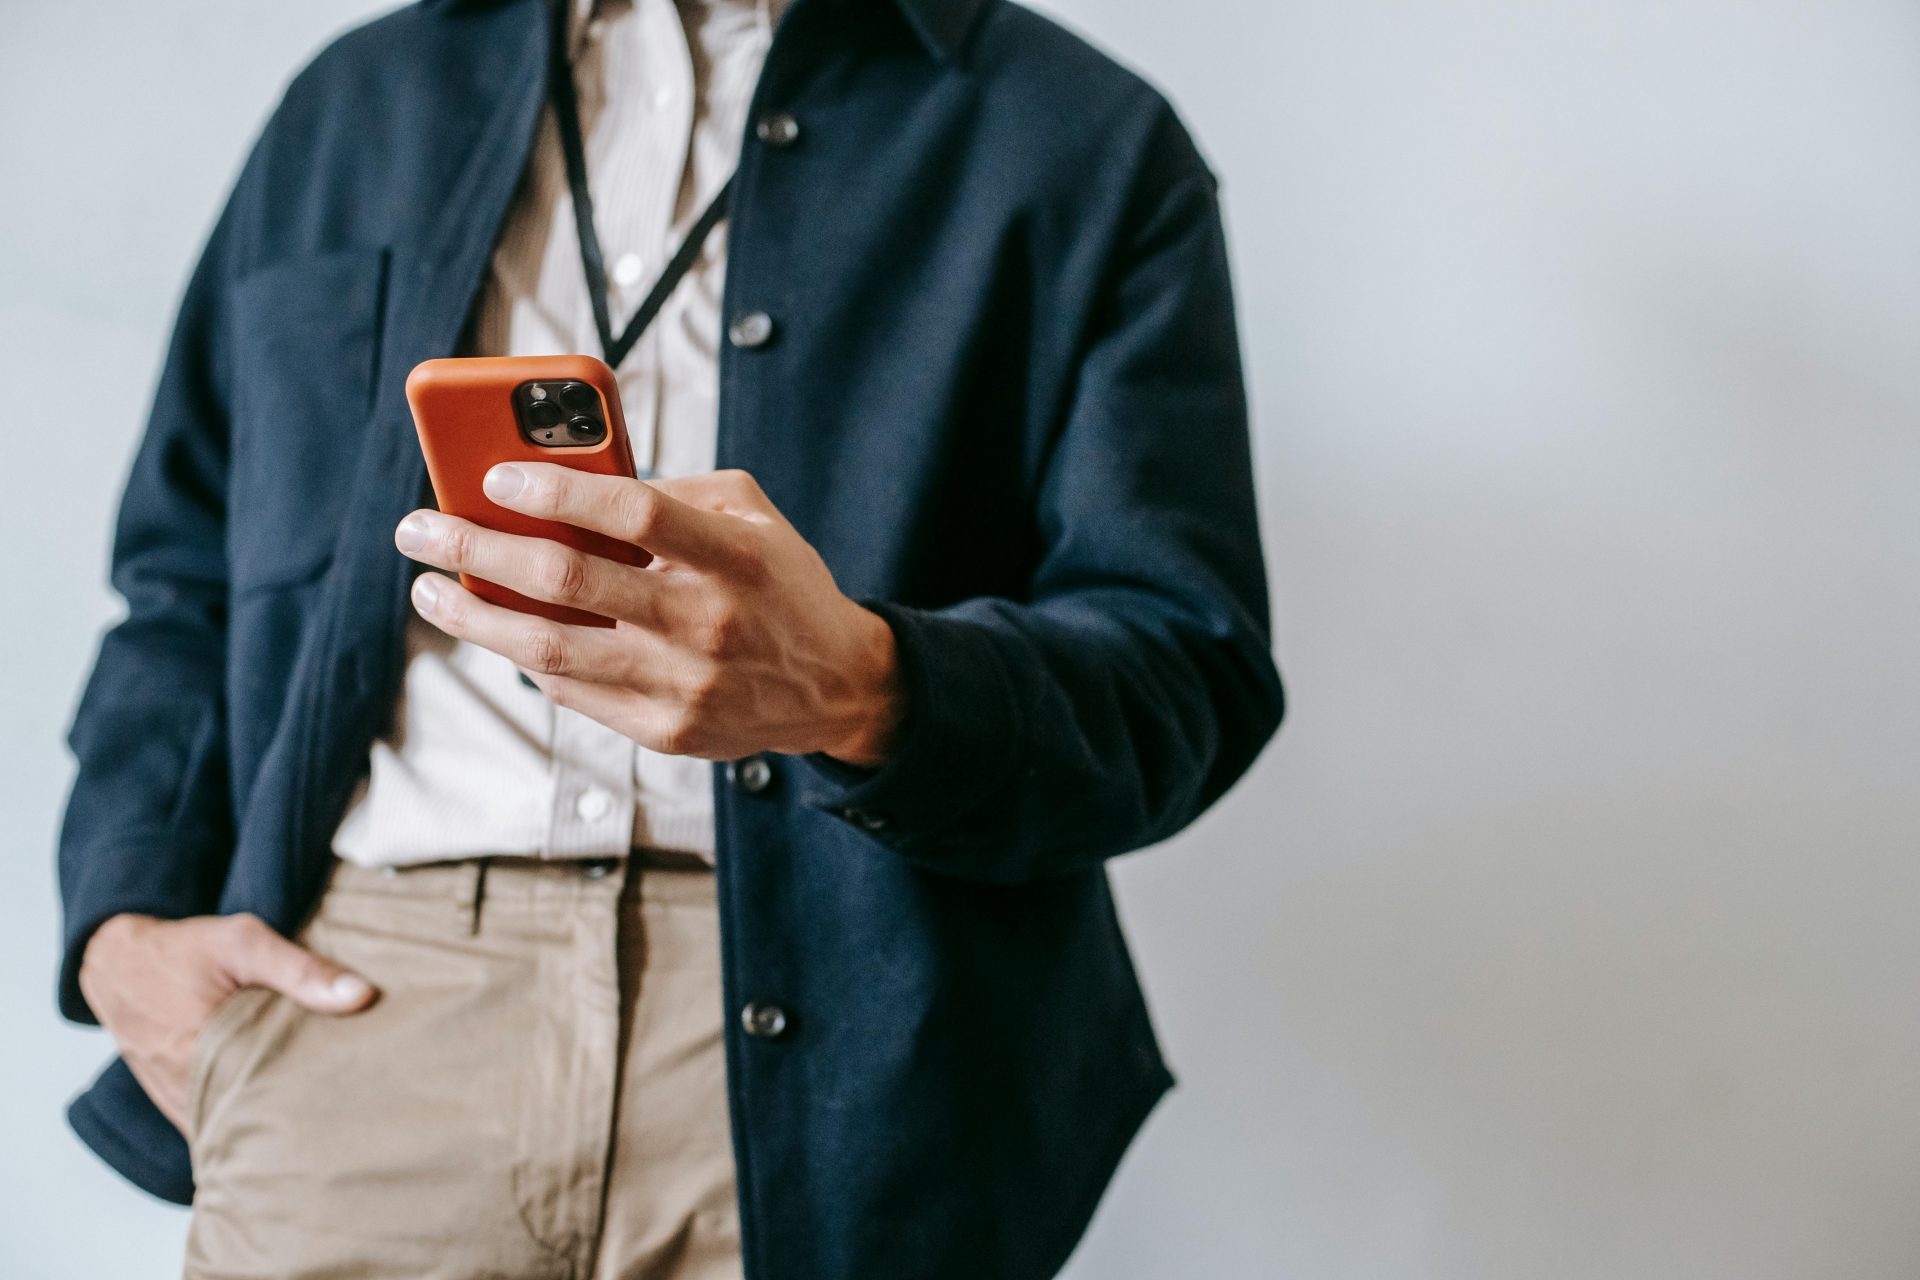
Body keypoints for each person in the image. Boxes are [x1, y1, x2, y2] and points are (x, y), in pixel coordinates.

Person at [57, 0, 1284, 1275]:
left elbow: (1187, 666)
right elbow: (182, 575)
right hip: (363, 1006)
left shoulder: (1085, 135)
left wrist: (868, 687)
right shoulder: (353, 104)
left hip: (860, 1047)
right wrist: (120, 920)